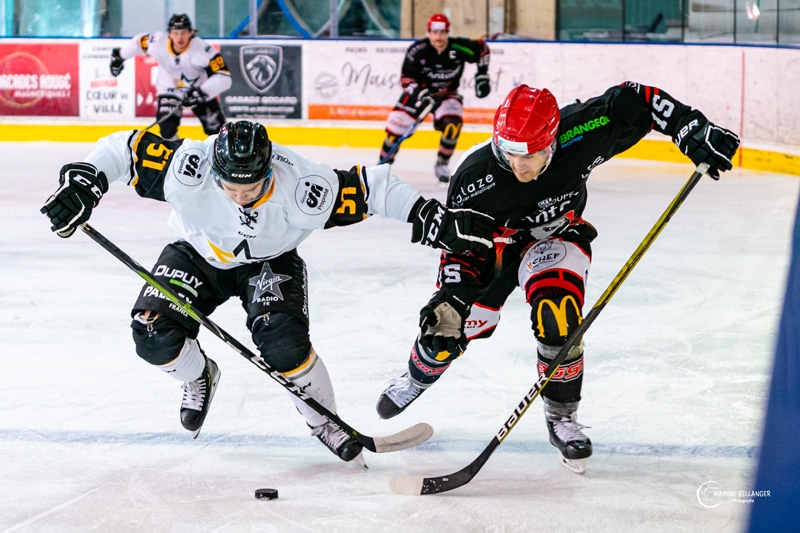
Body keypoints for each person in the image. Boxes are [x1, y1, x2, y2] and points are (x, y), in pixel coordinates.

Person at [40, 121, 495, 463]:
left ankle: (325, 423)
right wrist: (85, 182)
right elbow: (124, 148)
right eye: (230, 185)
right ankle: (200, 376)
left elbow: (373, 188)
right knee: (152, 336)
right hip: (195, 255)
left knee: (284, 344)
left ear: (268, 169)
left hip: (268, 263)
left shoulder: (303, 187)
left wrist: (431, 217)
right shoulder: (188, 169)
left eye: (251, 186)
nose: (239, 195)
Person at [375, 81, 740, 473]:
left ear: (553, 141)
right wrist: (454, 297)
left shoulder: (581, 132)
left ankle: (562, 417)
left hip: (558, 235)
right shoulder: (473, 179)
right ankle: (417, 376)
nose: (519, 165)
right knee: (446, 328)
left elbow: (637, 100)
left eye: (532, 155)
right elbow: (464, 250)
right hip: (493, 250)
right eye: (510, 152)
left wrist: (689, 125)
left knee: (558, 313)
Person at [379, 13, 491, 183]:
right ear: (429, 32)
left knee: (453, 124)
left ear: (447, 32)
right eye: (435, 33)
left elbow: (482, 49)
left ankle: (442, 164)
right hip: (418, 94)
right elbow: (407, 79)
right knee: (394, 134)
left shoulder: (458, 47)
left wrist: (482, 75)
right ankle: (381, 169)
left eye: (443, 32)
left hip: (446, 95)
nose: (439, 37)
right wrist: (423, 95)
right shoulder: (417, 51)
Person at [109, 13, 232, 141]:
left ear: (191, 33)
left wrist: (201, 92)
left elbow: (224, 77)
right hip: (169, 89)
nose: (179, 37)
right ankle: (175, 156)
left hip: (198, 91)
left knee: (218, 132)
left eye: (183, 32)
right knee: (167, 130)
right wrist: (119, 57)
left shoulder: (204, 50)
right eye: (175, 33)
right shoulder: (157, 43)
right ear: (169, 34)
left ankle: (221, 158)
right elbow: (138, 43)